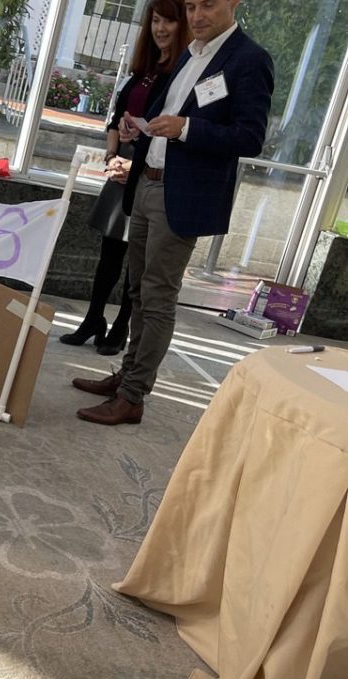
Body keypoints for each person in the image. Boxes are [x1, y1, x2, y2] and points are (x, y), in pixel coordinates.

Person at [73, 0, 274, 426]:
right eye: (191, 6)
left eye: (208, 5)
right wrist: (137, 127)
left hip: (181, 195)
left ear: (234, 3)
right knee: (137, 291)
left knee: (158, 296)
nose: (197, 15)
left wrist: (187, 128)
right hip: (146, 181)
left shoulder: (248, 59)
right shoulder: (189, 54)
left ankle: (133, 396)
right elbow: (163, 113)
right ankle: (127, 377)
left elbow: (250, 137)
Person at [59, 0, 189, 356]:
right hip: (122, 168)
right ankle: (93, 319)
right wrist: (112, 157)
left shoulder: (181, 74)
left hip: (150, 172)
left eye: (169, 22)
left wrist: (135, 166)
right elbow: (117, 117)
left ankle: (121, 327)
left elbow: (171, 134)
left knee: (137, 260)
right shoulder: (143, 69)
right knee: (109, 254)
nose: (160, 28)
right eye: (156, 21)